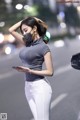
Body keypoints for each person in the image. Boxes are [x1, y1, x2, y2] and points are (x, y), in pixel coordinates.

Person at [9, 16, 54, 120]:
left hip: (40, 88)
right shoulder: (27, 43)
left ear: (34, 29)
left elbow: (50, 72)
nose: (24, 34)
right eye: (22, 31)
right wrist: (26, 20)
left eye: (26, 30)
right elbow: (11, 30)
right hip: (28, 88)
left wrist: (30, 71)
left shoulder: (44, 47)